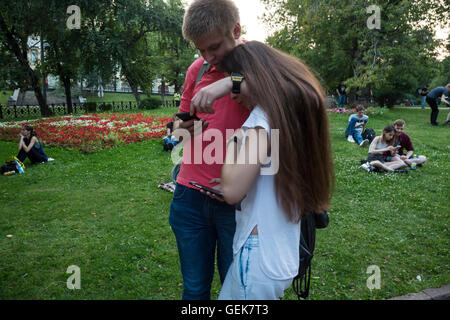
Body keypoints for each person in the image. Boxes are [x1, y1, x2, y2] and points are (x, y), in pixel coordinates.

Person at [190, 41, 334, 300]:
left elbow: (233, 192)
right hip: (278, 249)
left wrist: (234, 139)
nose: (234, 97)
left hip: (257, 257)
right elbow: (267, 176)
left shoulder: (261, 119)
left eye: (236, 84)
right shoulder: (292, 114)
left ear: (253, 78)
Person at [168, 0, 250, 300]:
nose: (208, 57)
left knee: (237, 292)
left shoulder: (257, 60)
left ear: (236, 30)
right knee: (194, 289)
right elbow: (181, 125)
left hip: (237, 200)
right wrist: (182, 129)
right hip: (190, 195)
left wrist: (227, 83)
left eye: (214, 47)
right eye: (201, 50)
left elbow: (278, 88)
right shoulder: (198, 68)